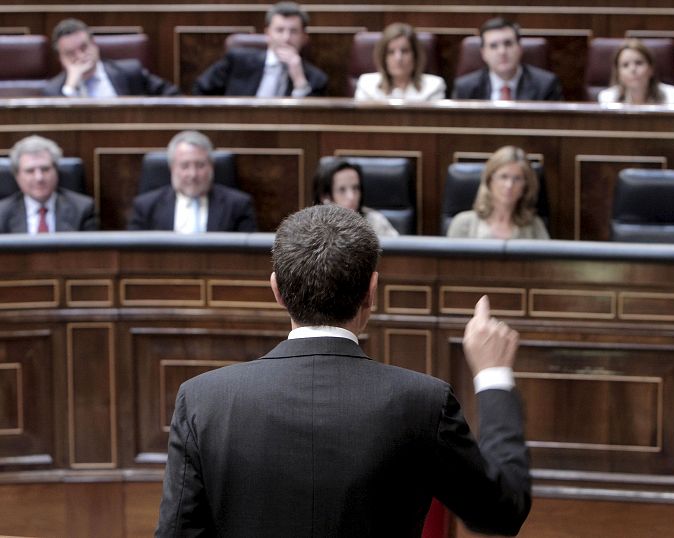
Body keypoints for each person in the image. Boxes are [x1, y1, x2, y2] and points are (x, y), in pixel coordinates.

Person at [155, 203, 531, 536]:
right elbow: (501, 513)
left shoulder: (203, 400)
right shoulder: (423, 403)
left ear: (277, 291)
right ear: (372, 290)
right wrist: (494, 376)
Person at [128, 130, 257, 232]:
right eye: (184, 166)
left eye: (200, 165)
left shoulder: (238, 206)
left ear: (211, 166)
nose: (193, 174)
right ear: (172, 167)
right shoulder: (145, 207)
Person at [193, 1, 328, 97]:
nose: (286, 38)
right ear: (267, 33)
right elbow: (200, 89)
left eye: (293, 31)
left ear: (304, 37)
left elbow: (311, 121)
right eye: (280, 30)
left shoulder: (316, 79)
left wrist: (299, 81)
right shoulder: (237, 60)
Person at [43, 18, 179, 97]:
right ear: (60, 59)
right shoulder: (53, 90)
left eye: (84, 47)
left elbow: (173, 96)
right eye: (70, 53)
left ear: (95, 45)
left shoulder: (129, 72)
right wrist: (70, 88)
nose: (80, 56)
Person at [0, 135, 98, 233]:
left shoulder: (82, 209)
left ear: (56, 171)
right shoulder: (2, 214)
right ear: (17, 176)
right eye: (30, 171)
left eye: (45, 169)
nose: (39, 178)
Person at [448, 146, 549, 239]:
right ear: (489, 180)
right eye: (503, 177)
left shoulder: (535, 226)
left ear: (525, 186)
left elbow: (547, 258)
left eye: (517, 179)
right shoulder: (463, 224)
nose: (509, 185)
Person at [453, 17, 562, 101]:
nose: (502, 52)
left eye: (508, 44)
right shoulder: (465, 88)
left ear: (520, 48)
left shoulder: (546, 85)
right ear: (483, 53)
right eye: (493, 46)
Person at [354, 23, 446, 101]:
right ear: (383, 57)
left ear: (415, 55)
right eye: (391, 52)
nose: (398, 58)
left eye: (405, 51)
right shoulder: (367, 86)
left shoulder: (433, 87)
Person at [312, 157, 399, 236]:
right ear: (325, 197)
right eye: (342, 190)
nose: (351, 197)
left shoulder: (375, 222)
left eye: (355, 188)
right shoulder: (311, 227)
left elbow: (397, 250)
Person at [598, 39, 674, 104]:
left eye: (639, 63)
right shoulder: (607, 99)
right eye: (625, 65)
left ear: (651, 69)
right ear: (618, 73)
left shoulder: (672, 96)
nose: (633, 69)